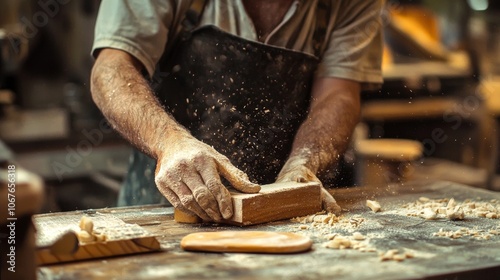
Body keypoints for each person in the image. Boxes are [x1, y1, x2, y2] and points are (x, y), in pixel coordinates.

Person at [90, 0, 383, 222]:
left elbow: (339, 93)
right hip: (160, 210)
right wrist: (169, 142)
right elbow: (111, 67)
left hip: (282, 218)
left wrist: (305, 162)